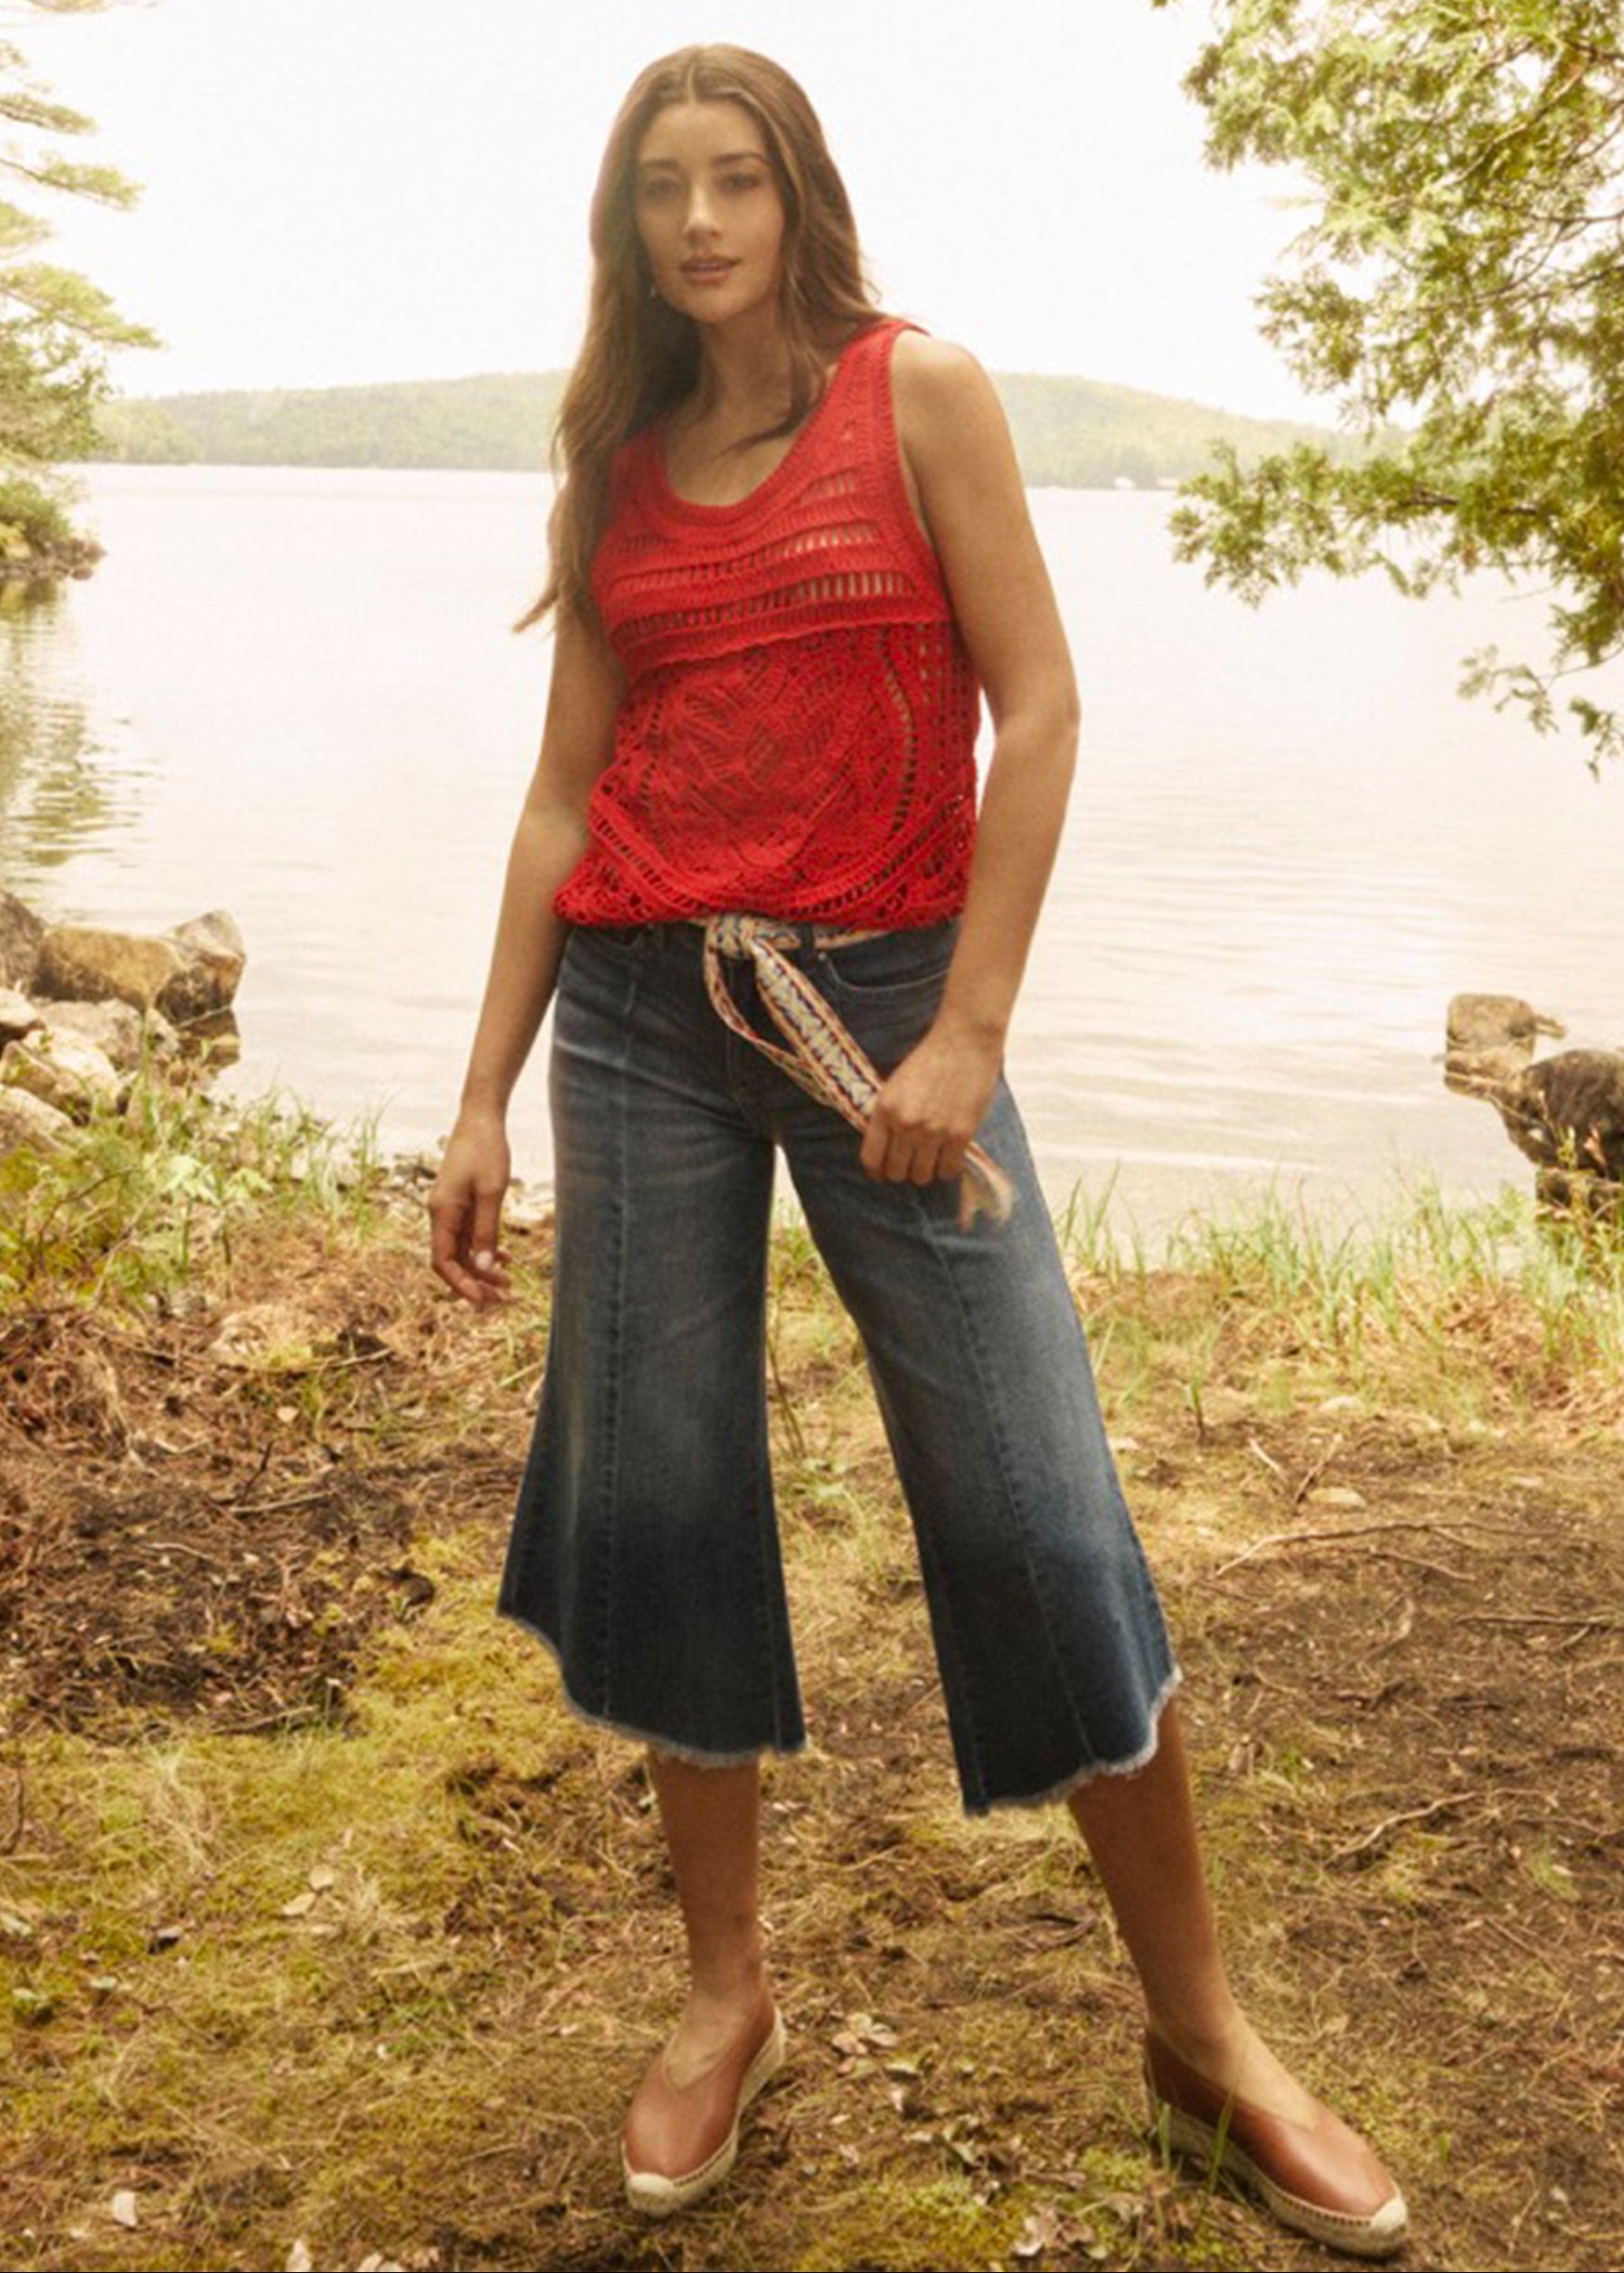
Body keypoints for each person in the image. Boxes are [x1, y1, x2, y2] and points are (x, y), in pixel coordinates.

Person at [429, 44, 1409, 2261]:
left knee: (1035, 1500)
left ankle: (1203, 2037)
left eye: (734, 180)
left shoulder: (920, 392)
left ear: (797, 198)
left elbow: (1038, 702)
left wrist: (969, 1025)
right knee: (668, 1499)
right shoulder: (617, 469)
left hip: (888, 1011)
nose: (697, 222)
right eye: (661, 187)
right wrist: (482, 1092)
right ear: (627, 223)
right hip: (642, 1020)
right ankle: (723, 1997)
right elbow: (562, 794)